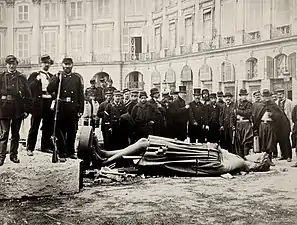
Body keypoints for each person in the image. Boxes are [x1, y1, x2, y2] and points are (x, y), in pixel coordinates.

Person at [47, 57, 84, 162]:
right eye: (65, 64)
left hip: (72, 108)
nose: (67, 66)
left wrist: (80, 109)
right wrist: (56, 79)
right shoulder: (59, 76)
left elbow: (80, 95)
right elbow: (50, 89)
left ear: (72, 65)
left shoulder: (76, 78)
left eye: (69, 64)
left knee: (72, 131)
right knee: (60, 131)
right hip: (61, 108)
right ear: (62, 65)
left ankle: (71, 152)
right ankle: (62, 152)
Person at [0, 55, 32, 166]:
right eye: (9, 63)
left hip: (18, 108)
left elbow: (28, 94)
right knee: (4, 134)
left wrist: (27, 109)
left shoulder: (21, 77)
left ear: (16, 64)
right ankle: (1, 157)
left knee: (15, 134)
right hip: (3, 108)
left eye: (13, 63)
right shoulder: (1, 76)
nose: (12, 66)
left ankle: (13, 155)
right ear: (6, 65)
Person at [252, 89, 290, 166]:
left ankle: (270, 159)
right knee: (263, 142)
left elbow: (280, 116)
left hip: (271, 125)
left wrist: (273, 114)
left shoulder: (274, 105)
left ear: (270, 97)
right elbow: (256, 116)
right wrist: (255, 127)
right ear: (262, 97)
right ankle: (263, 159)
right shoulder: (259, 105)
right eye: (265, 96)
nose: (266, 98)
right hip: (262, 125)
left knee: (270, 142)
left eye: (268, 96)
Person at [27, 54, 54, 156]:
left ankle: (45, 146)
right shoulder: (34, 75)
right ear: (41, 63)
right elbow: (29, 88)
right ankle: (30, 148)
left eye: (48, 63)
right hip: (38, 103)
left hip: (48, 102)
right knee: (35, 126)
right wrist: (36, 81)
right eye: (44, 63)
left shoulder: (51, 76)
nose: (46, 65)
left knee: (47, 126)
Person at [235, 88, 253, 158]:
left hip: (246, 124)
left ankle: (246, 156)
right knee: (239, 141)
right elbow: (233, 113)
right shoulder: (237, 103)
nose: (243, 96)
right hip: (239, 123)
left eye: (245, 95)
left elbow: (248, 113)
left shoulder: (249, 104)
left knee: (246, 140)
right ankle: (240, 156)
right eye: (242, 95)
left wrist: (238, 111)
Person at [275, 88, 293, 162]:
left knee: (286, 139)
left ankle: (289, 156)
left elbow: (291, 113)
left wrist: (292, 124)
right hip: (278, 123)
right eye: (278, 94)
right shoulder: (276, 103)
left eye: (281, 94)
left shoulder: (289, 102)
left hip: (286, 122)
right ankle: (283, 155)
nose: (279, 96)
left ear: (283, 94)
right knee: (280, 139)